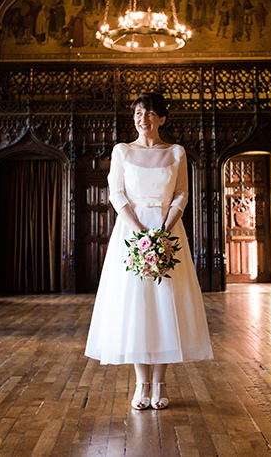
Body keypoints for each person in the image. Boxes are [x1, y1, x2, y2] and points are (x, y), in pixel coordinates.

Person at [85, 92, 213, 411]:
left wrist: (164, 230)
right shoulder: (122, 151)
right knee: (137, 308)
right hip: (132, 232)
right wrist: (142, 232)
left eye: (151, 113)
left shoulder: (177, 152)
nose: (144, 118)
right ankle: (141, 384)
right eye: (139, 113)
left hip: (169, 229)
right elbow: (117, 194)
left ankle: (160, 384)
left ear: (163, 119)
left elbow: (182, 193)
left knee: (165, 307)